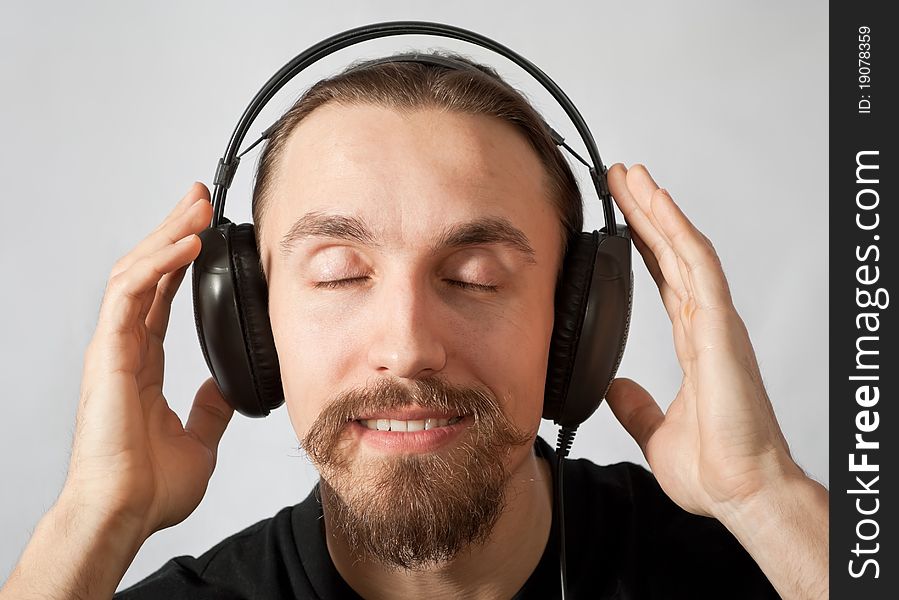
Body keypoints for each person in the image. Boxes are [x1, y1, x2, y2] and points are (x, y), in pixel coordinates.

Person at [0, 53, 828, 600]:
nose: (407, 345)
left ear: (578, 317)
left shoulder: (760, 567)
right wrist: (93, 521)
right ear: (249, 320)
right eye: (339, 274)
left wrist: (765, 496)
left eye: (475, 278)